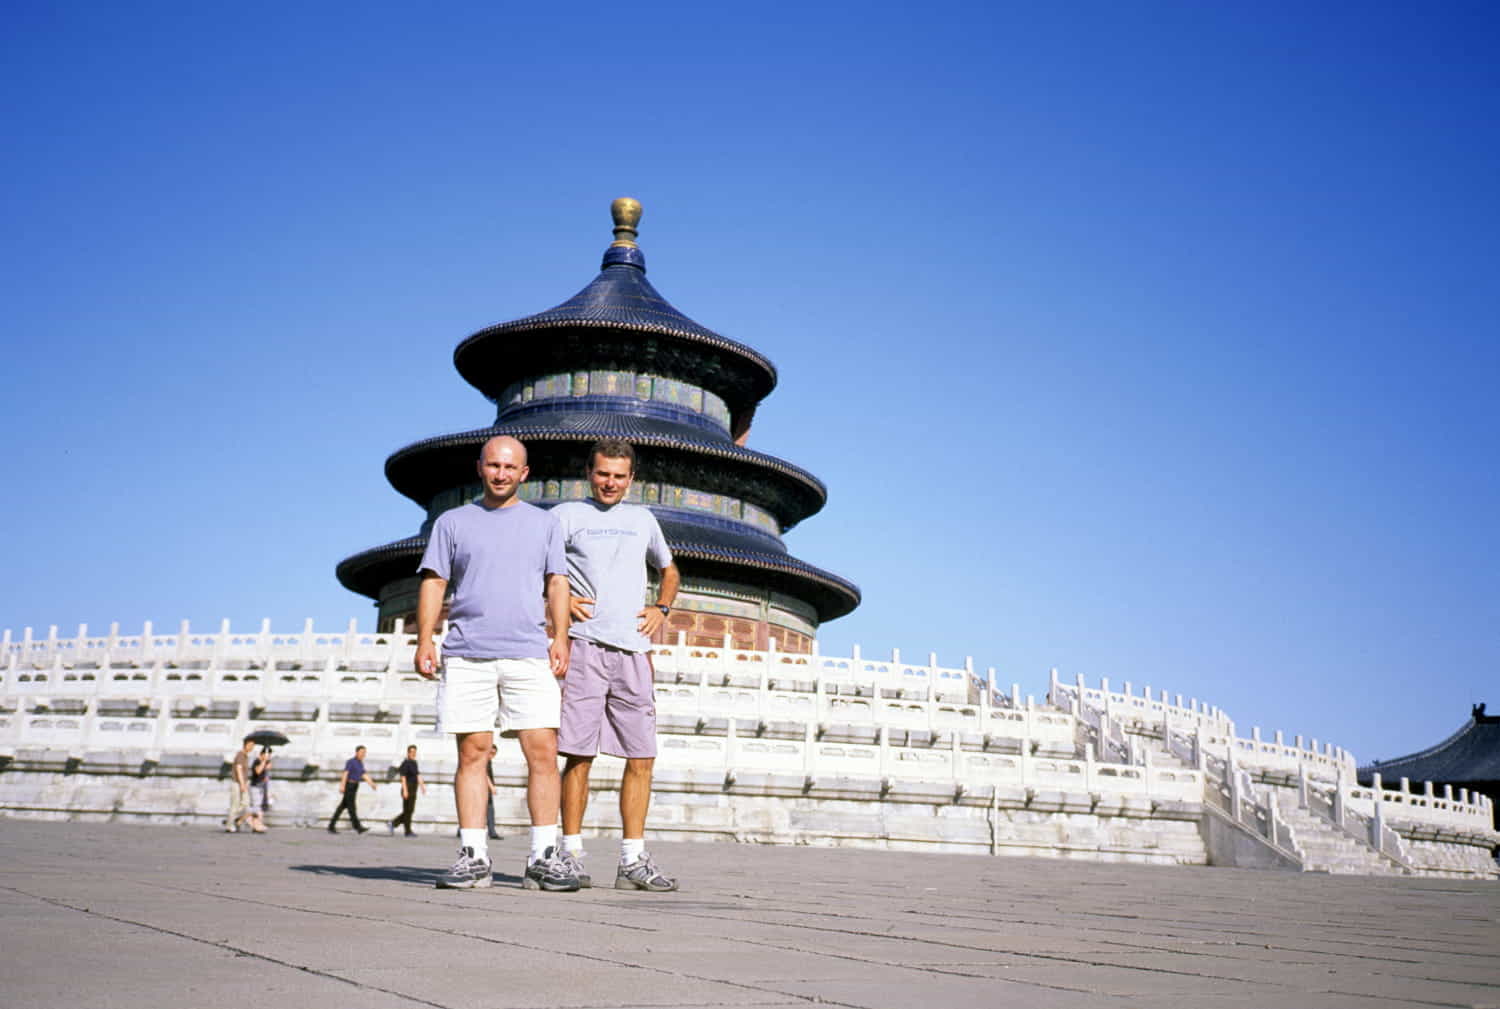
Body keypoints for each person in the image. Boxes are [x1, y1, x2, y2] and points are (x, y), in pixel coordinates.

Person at [414, 435, 578, 891]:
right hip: (468, 651)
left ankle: (544, 855)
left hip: (529, 651)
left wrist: (560, 636)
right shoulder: (452, 522)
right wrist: (425, 639)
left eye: (510, 467)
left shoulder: (544, 525)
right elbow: (434, 581)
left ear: (524, 474)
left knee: (543, 752)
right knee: (473, 753)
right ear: (480, 469)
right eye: (493, 466)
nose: (501, 474)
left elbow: (557, 582)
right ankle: (473, 855)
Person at [555, 438, 681, 891]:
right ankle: (569, 854)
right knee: (578, 755)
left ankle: (632, 860)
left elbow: (669, 570)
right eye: (603, 473)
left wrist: (661, 609)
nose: (610, 483)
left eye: (619, 476)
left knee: (642, 755)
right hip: (585, 645)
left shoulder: (642, 519)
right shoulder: (566, 516)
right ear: (589, 473)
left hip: (633, 650)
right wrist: (563, 600)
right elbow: (537, 569)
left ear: (632, 479)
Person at [328, 744, 376, 833]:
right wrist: (342, 786)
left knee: (342, 807)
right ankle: (357, 827)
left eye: (364, 753)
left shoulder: (360, 763)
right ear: (357, 752)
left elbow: (363, 774)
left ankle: (331, 825)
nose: (363, 754)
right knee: (351, 807)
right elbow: (345, 773)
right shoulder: (351, 762)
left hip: (355, 786)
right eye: (361, 752)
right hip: (349, 785)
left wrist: (371, 783)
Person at [227, 737, 264, 833]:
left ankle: (236, 818)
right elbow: (238, 770)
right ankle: (229, 825)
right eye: (251, 745)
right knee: (235, 804)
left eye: (253, 746)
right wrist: (242, 784)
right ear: (245, 745)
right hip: (237, 783)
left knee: (246, 804)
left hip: (243, 783)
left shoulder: (245, 756)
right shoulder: (240, 755)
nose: (252, 748)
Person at [388, 744, 426, 837]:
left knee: (410, 810)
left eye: (414, 752)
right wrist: (405, 790)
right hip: (407, 787)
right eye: (411, 752)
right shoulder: (406, 763)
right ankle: (405, 830)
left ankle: (394, 824)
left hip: (414, 788)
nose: (413, 754)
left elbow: (417, 775)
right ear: (408, 753)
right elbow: (403, 777)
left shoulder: (414, 763)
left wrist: (422, 786)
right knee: (407, 810)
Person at [249, 747, 272, 828]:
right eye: (267, 755)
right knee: (256, 807)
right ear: (262, 754)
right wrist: (264, 761)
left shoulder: (266, 762)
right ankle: (256, 825)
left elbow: (265, 775)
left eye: (269, 756)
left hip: (263, 787)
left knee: (260, 807)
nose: (269, 757)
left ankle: (258, 824)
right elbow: (258, 771)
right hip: (255, 786)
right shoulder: (257, 761)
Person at [485, 743, 503, 840]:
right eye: (491, 753)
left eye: (494, 754)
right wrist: (491, 787)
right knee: (489, 810)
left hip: (486, 789)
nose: (492, 756)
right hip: (484, 789)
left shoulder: (488, 761)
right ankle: (492, 831)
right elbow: (484, 774)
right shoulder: (484, 761)